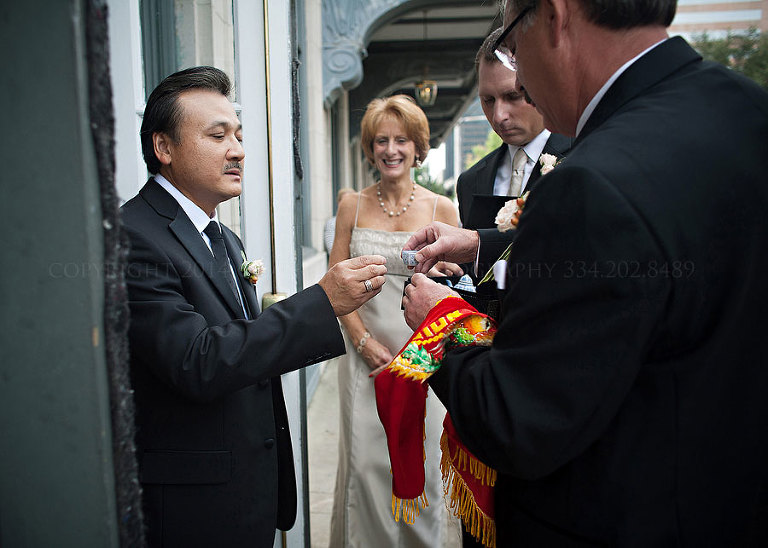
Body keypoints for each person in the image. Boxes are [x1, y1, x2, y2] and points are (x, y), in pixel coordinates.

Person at [401, 0, 768, 545]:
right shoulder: (746, 110)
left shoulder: (590, 182)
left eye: (510, 44)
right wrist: (483, 242)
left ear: (553, 15)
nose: (518, 73)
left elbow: (517, 421)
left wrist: (440, 326)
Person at [121, 66, 387, 548]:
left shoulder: (225, 237)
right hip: (191, 509)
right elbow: (198, 361)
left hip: (245, 491)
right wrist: (321, 302)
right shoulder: (134, 237)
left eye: (239, 135)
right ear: (163, 148)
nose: (238, 150)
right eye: (217, 135)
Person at [328, 95, 461, 548]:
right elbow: (335, 287)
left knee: (421, 468)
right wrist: (365, 343)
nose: (391, 149)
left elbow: (455, 291)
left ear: (418, 146)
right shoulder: (351, 204)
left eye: (401, 139)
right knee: (367, 468)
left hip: (422, 359)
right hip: (364, 356)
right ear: (369, 148)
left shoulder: (442, 208)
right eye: (381, 140)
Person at [456, 26, 570, 230]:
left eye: (513, 96)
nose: (499, 116)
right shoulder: (469, 182)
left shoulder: (581, 156)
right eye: (488, 100)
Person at [324, 187, 356, 253]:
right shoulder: (332, 223)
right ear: (339, 203)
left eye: (351, 201)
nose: (348, 204)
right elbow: (331, 249)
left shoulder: (360, 222)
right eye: (345, 201)